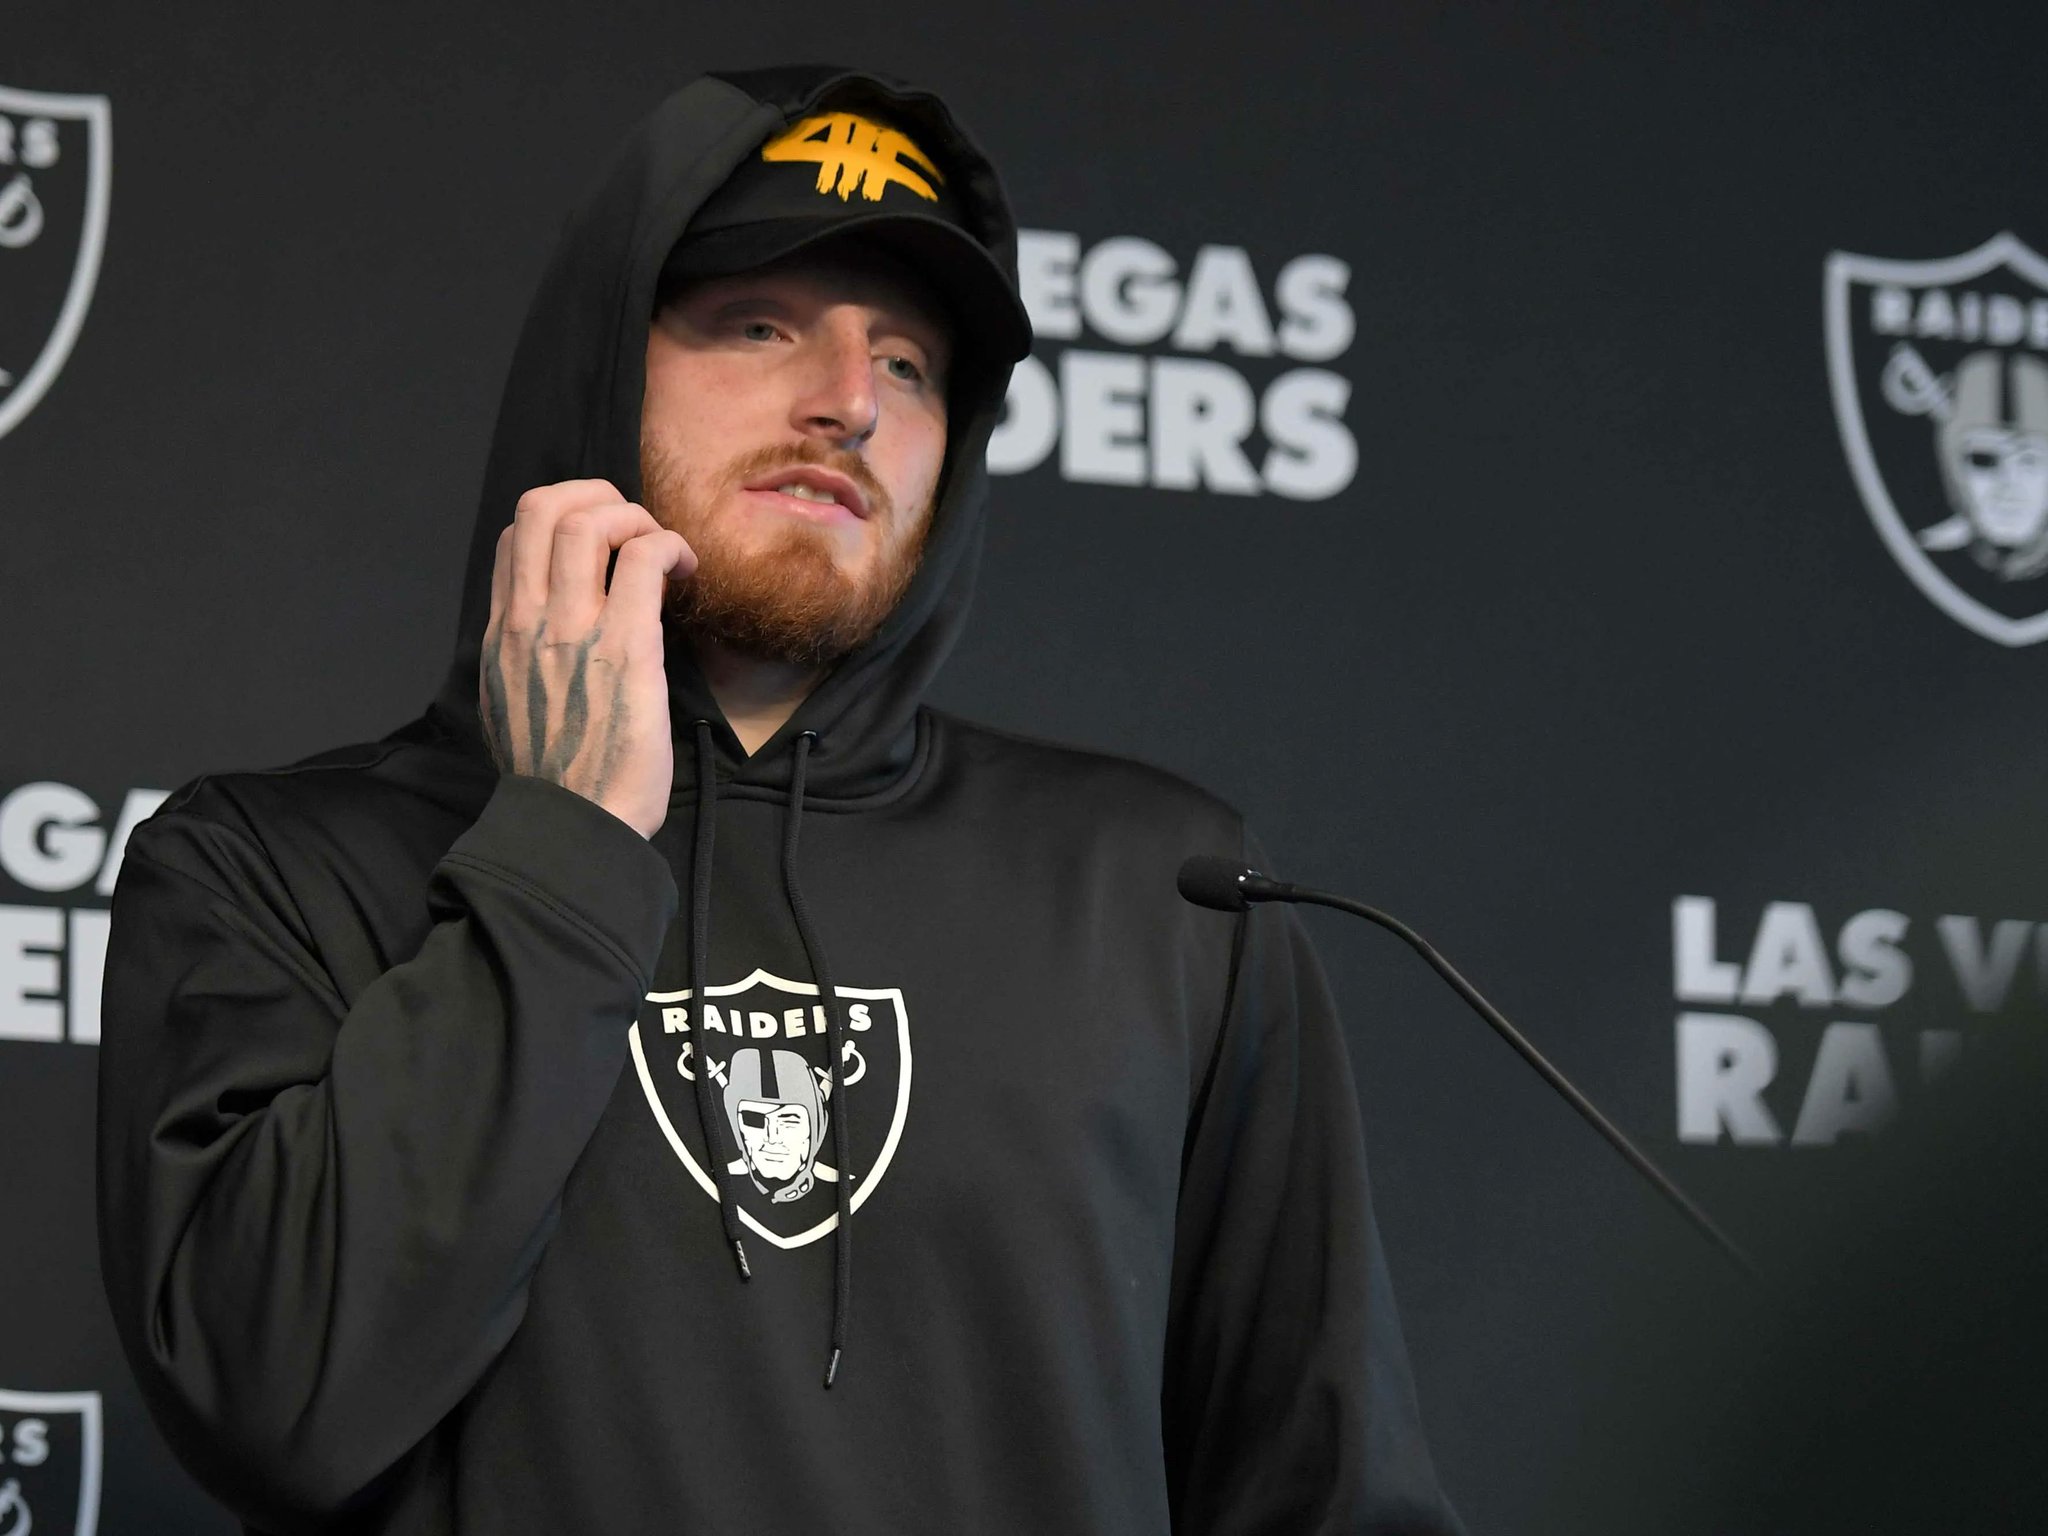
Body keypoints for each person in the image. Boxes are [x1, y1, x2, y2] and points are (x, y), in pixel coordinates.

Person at [96, 65, 1462, 1534]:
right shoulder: (269, 869)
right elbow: (281, 1407)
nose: (849, 403)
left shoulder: (1163, 893)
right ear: (599, 370)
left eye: (912, 365)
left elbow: (1329, 1500)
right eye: (760, 324)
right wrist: (563, 847)